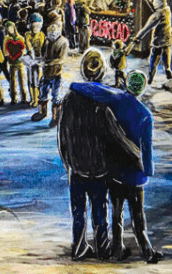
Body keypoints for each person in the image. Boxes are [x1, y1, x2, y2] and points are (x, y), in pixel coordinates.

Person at [70, 71, 162, 263]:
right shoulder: (145, 115)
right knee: (138, 215)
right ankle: (147, 250)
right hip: (136, 174)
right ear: (142, 88)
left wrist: (74, 86)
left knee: (116, 214)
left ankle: (117, 249)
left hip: (116, 171)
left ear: (126, 84)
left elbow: (94, 88)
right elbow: (147, 148)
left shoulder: (115, 100)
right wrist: (148, 171)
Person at [57, 51, 121, 261]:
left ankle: (79, 247)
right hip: (99, 167)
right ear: (102, 72)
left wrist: (68, 162)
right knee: (100, 211)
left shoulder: (69, 100)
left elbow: (62, 137)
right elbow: (112, 136)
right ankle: (102, 248)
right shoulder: (104, 103)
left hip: (77, 167)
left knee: (78, 213)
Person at [131, 0, 172, 87]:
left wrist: (137, 38)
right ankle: (170, 76)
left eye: (155, 1)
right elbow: (154, 8)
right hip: (168, 41)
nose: (154, 3)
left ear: (158, 3)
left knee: (153, 64)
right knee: (167, 65)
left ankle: (149, 81)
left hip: (158, 43)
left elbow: (146, 28)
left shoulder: (157, 15)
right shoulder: (166, 9)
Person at [31, 22, 69, 126]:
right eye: (49, 34)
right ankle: (42, 112)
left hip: (56, 73)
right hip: (46, 72)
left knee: (56, 97)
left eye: (53, 34)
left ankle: (55, 117)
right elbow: (43, 53)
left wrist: (47, 63)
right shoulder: (47, 41)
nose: (50, 36)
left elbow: (61, 59)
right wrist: (38, 60)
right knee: (42, 93)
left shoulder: (63, 42)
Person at [2, 21, 28, 105]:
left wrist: (20, 53)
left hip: (20, 62)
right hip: (12, 62)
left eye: (11, 28)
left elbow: (23, 49)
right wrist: (10, 54)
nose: (10, 30)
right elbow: (5, 51)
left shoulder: (20, 38)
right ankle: (13, 98)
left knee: (22, 79)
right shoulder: (6, 39)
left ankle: (24, 97)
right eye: (8, 28)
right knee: (12, 80)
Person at [24, 13, 45, 107]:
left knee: (37, 80)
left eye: (38, 26)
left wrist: (41, 59)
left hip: (38, 59)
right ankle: (32, 98)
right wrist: (31, 53)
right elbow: (29, 46)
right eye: (34, 26)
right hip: (30, 59)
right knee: (30, 79)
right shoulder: (27, 34)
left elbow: (42, 48)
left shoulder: (41, 35)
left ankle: (37, 99)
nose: (35, 28)